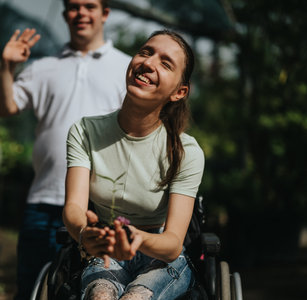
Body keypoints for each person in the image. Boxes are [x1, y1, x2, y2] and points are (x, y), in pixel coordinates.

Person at [0, 0, 131, 299]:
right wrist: (7, 67)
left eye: (89, 6)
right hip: (44, 201)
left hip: (100, 210)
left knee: (90, 291)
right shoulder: (42, 67)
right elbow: (4, 107)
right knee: (31, 290)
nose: (81, 13)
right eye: (73, 6)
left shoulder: (128, 68)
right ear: (65, 13)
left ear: (105, 13)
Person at [63, 29, 205, 300]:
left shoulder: (187, 152)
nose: (149, 63)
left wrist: (136, 238)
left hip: (161, 259)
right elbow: (74, 207)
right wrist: (84, 232)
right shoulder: (85, 131)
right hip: (105, 250)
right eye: (145, 52)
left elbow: (173, 244)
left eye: (165, 63)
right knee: (100, 296)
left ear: (179, 92)